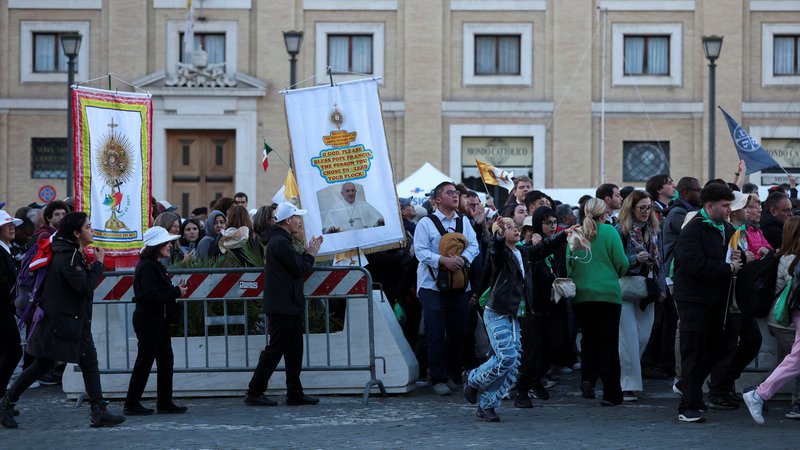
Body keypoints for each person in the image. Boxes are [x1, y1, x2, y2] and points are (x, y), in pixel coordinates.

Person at [1, 212, 125, 429]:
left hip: (72, 321)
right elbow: (85, 287)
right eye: (88, 227)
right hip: (61, 323)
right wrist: (99, 264)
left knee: (86, 362)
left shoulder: (70, 252)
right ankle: (7, 402)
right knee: (43, 365)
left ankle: (98, 410)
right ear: (77, 233)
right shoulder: (67, 256)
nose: (92, 230)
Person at [672, 183, 739, 423]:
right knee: (693, 350)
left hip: (718, 300)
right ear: (709, 206)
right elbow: (693, 264)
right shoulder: (694, 229)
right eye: (725, 205)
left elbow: (732, 255)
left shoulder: (727, 228)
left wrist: (741, 258)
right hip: (694, 299)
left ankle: (688, 387)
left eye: (729, 205)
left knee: (718, 348)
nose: (729, 210)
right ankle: (687, 405)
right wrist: (727, 268)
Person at [245, 202, 323, 407]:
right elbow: (299, 268)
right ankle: (255, 391)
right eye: (297, 217)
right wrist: (310, 254)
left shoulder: (280, 240)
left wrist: (306, 253)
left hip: (287, 303)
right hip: (283, 305)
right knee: (276, 349)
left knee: (294, 350)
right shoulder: (280, 242)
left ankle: (295, 392)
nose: (300, 222)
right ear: (288, 220)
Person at [414, 181, 480, 396]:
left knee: (458, 332)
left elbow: (474, 246)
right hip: (431, 286)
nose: (455, 196)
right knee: (435, 332)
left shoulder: (464, 221)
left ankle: (453, 373)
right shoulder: (426, 223)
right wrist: (442, 260)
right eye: (450, 193)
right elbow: (420, 251)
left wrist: (462, 259)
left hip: (459, 285)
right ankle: (438, 377)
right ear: (438, 199)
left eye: (456, 193)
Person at [567, 198, 629, 406]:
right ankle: (612, 393)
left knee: (589, 340)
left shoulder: (575, 233)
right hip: (608, 294)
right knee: (609, 343)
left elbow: (568, 265)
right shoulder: (610, 232)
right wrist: (616, 273)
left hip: (582, 295)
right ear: (604, 215)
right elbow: (622, 262)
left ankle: (588, 379)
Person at [706, 192, 763, 410]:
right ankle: (718, 388)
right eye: (745, 206)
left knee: (751, 341)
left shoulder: (739, 232)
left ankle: (724, 382)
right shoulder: (731, 232)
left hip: (740, 295)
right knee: (729, 345)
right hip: (730, 296)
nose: (750, 210)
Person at [124, 227, 189, 416]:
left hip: (157, 319)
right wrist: (176, 292)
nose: (170, 245)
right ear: (156, 246)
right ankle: (131, 403)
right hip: (149, 319)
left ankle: (165, 401)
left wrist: (174, 291)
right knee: (145, 361)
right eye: (166, 242)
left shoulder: (153, 264)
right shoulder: (147, 266)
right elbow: (152, 296)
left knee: (165, 360)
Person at [514, 206, 572, 407]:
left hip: (554, 303)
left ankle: (536, 378)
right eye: (548, 222)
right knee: (532, 350)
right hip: (533, 306)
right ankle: (522, 389)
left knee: (555, 346)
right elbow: (534, 257)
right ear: (538, 224)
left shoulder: (558, 246)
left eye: (554, 222)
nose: (552, 226)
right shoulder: (528, 246)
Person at [744, 217, 800, 424]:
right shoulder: (790, 258)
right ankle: (760, 394)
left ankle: (759, 393)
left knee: (793, 359)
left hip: (788, 315)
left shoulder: (786, 255)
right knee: (794, 359)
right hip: (789, 315)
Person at [615, 190, 664, 403]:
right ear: (631, 208)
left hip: (647, 288)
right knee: (628, 339)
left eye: (649, 207)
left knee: (643, 336)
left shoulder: (653, 230)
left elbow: (661, 260)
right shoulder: (620, 230)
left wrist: (662, 287)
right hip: (626, 286)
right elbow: (616, 262)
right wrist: (636, 258)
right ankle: (627, 385)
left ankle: (627, 375)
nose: (646, 211)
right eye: (642, 207)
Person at [0, 211, 23, 409]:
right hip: (2, 309)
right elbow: (3, 284)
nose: (12, 227)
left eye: (12, 224)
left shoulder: (5, 249)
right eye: (7, 225)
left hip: (6, 307)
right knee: (13, 350)